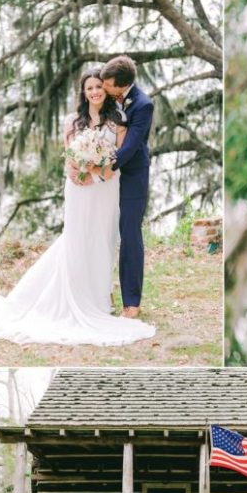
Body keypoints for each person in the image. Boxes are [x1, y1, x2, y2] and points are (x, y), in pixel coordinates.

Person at [0, 68, 156, 346]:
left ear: (106, 90)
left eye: (99, 87)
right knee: (76, 239)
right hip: (78, 189)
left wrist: (95, 174)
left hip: (105, 188)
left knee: (103, 240)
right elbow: (69, 157)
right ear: (83, 92)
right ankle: (71, 295)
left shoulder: (118, 120)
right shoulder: (72, 121)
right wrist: (77, 171)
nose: (95, 91)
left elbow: (118, 160)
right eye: (89, 88)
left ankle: (98, 299)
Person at [100, 55, 154, 319]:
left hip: (132, 175)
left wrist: (106, 167)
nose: (103, 88)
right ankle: (99, 293)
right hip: (103, 178)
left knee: (129, 234)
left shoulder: (144, 105)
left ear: (121, 85)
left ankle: (131, 302)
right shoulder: (106, 97)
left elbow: (132, 145)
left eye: (108, 84)